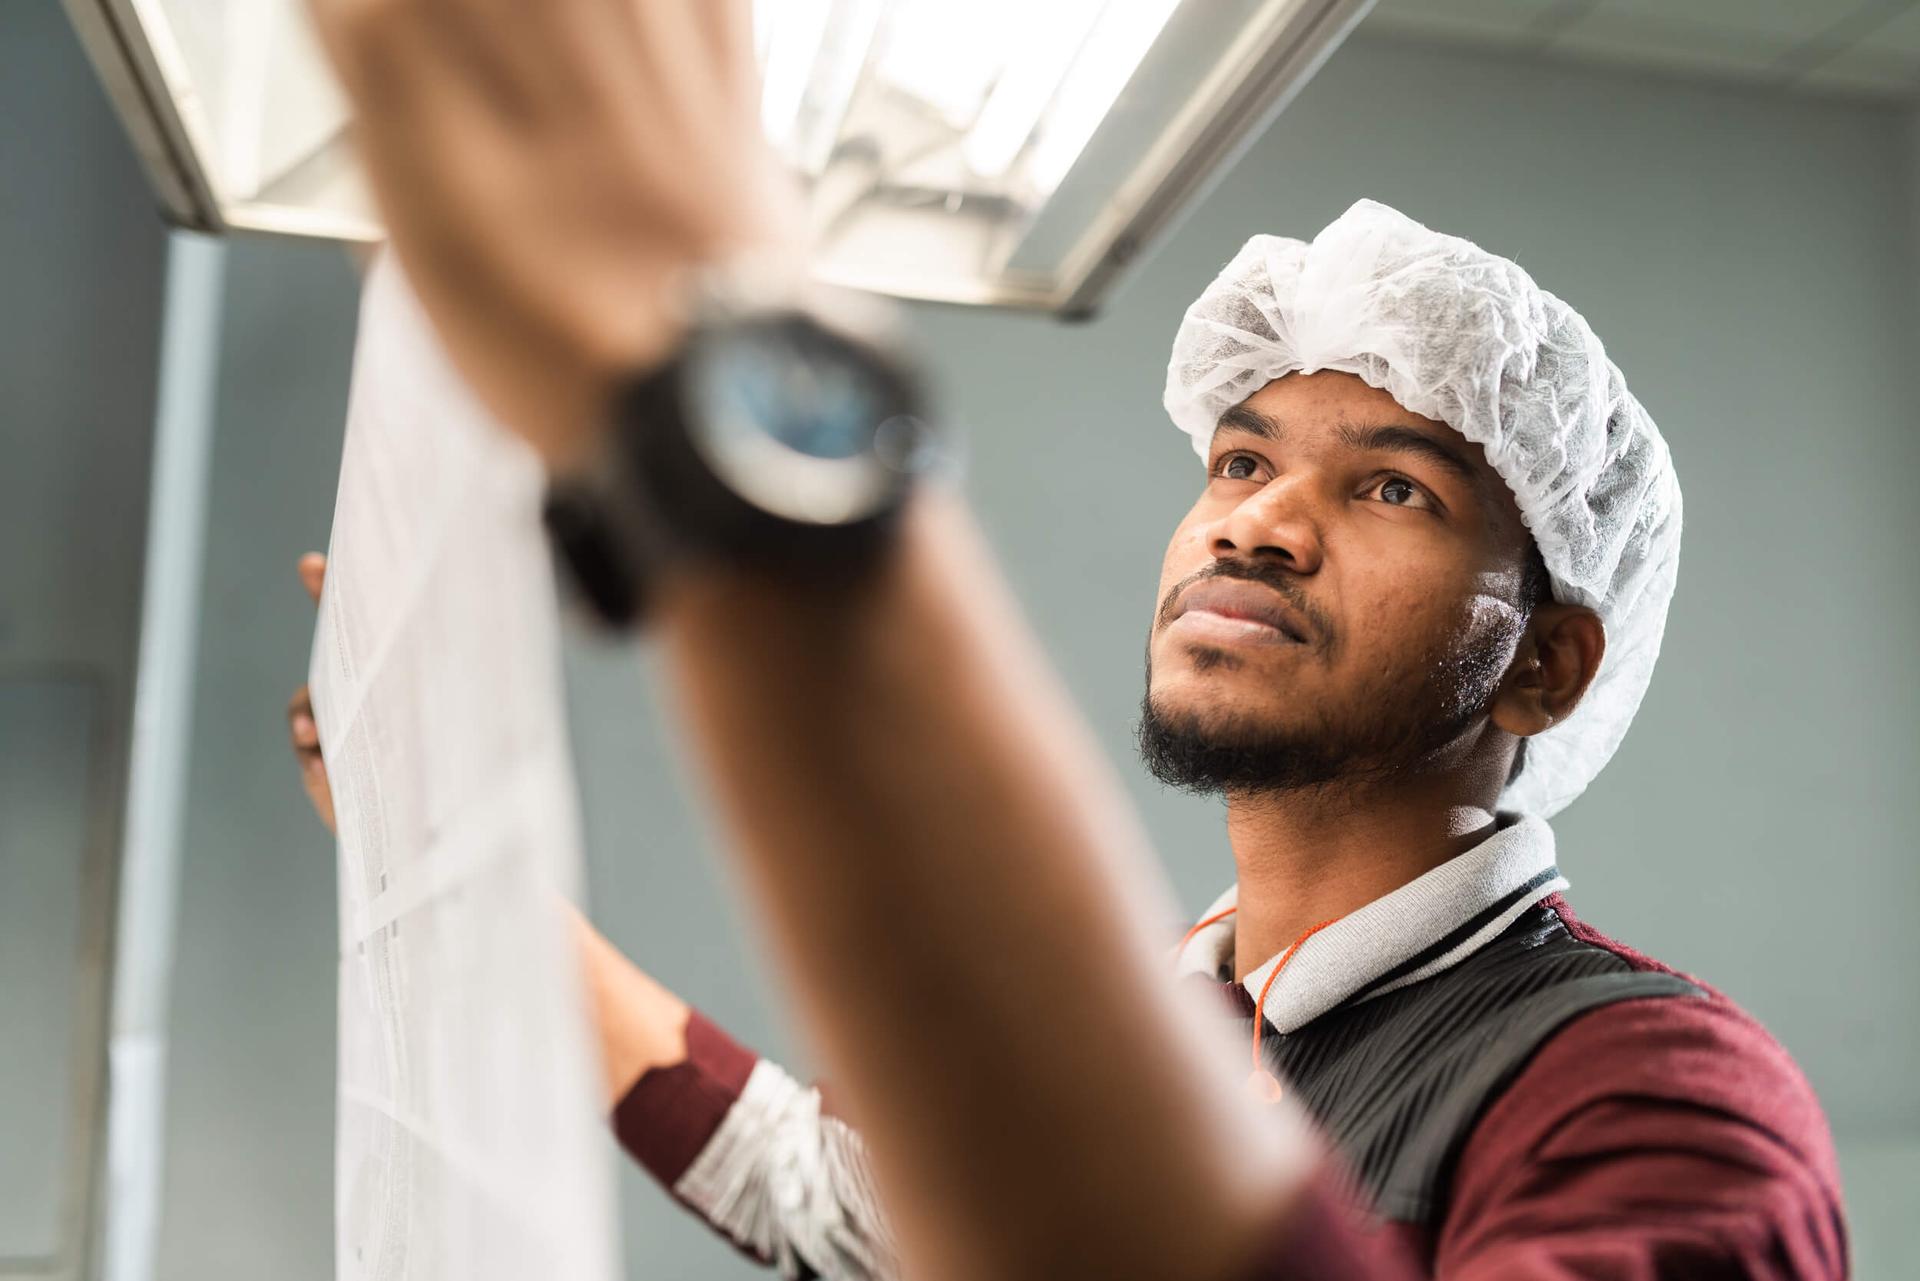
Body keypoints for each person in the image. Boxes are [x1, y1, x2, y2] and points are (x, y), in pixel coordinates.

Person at [291, 1, 1849, 1277]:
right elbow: (820, 1193)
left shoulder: (1652, 1099)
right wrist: (447, 858)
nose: (1259, 522)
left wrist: (746, 428)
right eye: (1240, 461)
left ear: (1544, 660)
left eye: (1388, 486)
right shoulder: (1184, 1011)